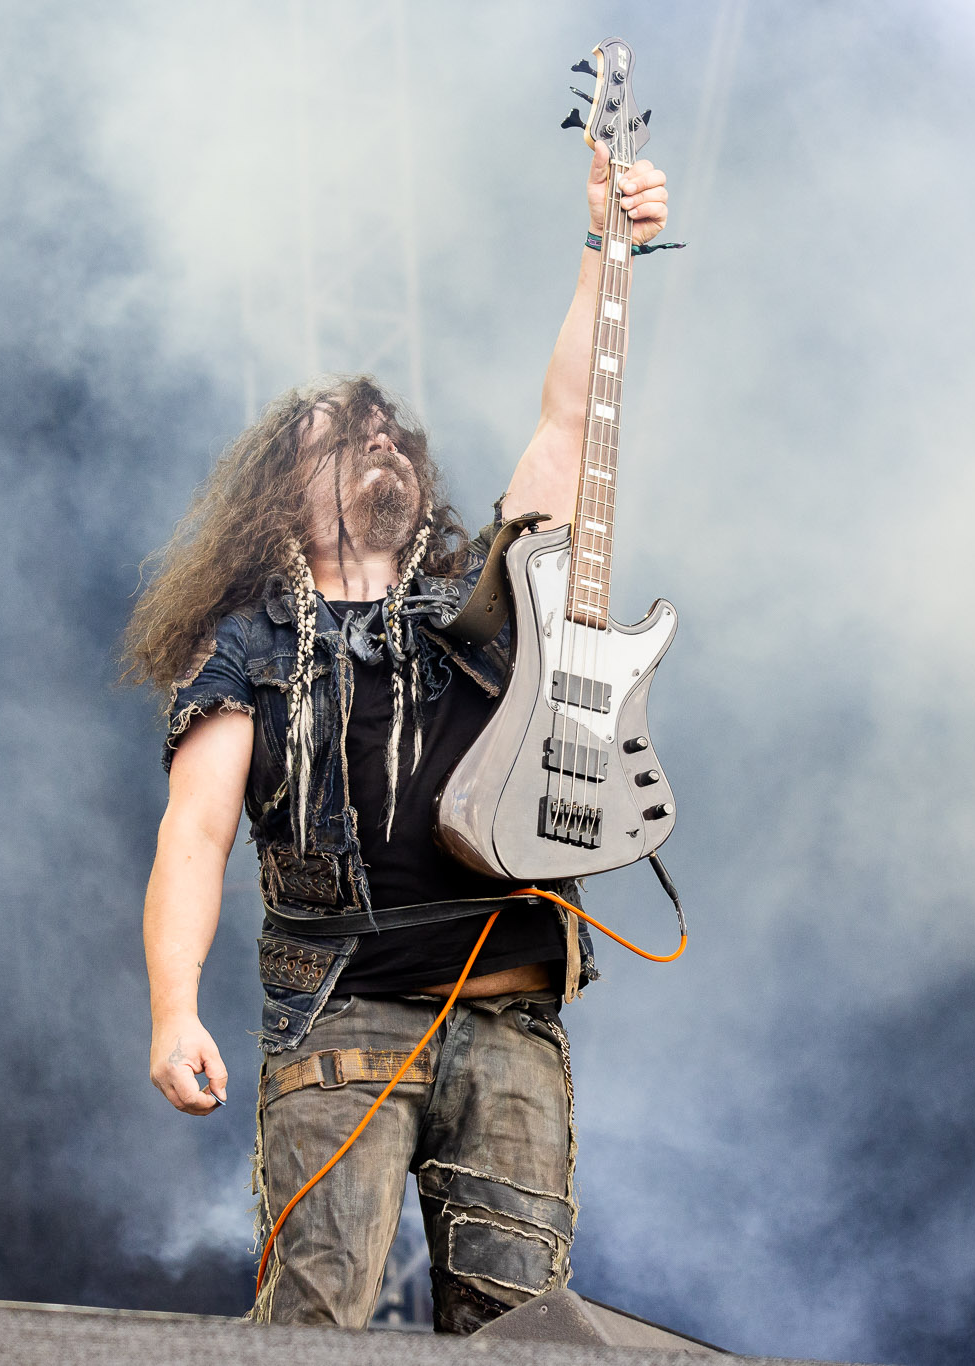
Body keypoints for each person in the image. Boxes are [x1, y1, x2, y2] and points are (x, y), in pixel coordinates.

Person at [122, 144, 669, 1333]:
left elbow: (568, 424)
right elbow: (193, 835)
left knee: (524, 1339)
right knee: (315, 1329)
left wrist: (604, 250)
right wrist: (172, 1008)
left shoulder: (488, 601)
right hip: (344, 1018)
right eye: (342, 434)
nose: (378, 438)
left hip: (509, 1017)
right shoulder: (246, 643)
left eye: (390, 430)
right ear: (281, 492)